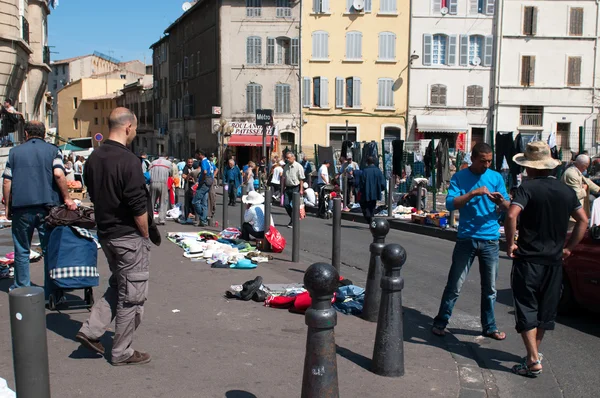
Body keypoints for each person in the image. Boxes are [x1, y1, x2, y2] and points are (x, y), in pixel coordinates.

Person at [76, 108, 158, 366]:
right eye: (133, 129)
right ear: (128, 127)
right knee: (132, 296)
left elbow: (94, 193)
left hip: (107, 233)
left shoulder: (94, 158)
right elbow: (137, 205)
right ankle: (122, 351)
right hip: (127, 236)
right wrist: (145, 235)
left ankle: (91, 330)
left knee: (119, 285)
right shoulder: (128, 161)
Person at [504, 141, 587, 377]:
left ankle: (532, 359)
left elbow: (511, 214)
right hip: (554, 260)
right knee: (544, 311)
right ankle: (533, 356)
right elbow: (583, 220)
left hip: (528, 259)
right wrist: (569, 248)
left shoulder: (526, 189)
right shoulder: (566, 191)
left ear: (529, 167)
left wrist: (510, 243)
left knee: (526, 307)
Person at [431, 143, 510, 340]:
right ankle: (441, 321)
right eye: (483, 161)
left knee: (490, 288)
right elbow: (450, 204)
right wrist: (473, 193)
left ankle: (490, 327)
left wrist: (500, 202)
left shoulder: (496, 177)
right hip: (467, 238)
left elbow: (508, 206)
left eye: (490, 161)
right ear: (473, 159)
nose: (487, 164)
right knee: (455, 284)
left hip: (491, 239)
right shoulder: (460, 177)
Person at [2, 121, 77, 294]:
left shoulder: (14, 153)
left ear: (26, 134)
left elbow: (7, 181)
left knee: (21, 249)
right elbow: (58, 173)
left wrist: (7, 207)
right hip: (48, 207)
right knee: (49, 249)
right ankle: (51, 291)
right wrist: (67, 198)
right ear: (44, 134)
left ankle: (22, 288)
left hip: (21, 208)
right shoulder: (53, 151)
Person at [357, 156, 386, 225]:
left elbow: (361, 184)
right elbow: (383, 183)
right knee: (372, 207)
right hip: (375, 193)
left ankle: (369, 219)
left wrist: (361, 190)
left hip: (365, 193)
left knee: (365, 207)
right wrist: (379, 189)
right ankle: (371, 219)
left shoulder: (364, 171)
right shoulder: (378, 171)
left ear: (367, 162)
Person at [282, 152, 305, 227]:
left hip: (295, 187)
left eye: (289, 158)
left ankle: (292, 221)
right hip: (288, 187)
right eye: (286, 158)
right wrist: (282, 188)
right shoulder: (286, 166)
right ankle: (293, 218)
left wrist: (301, 189)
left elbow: (301, 179)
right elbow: (284, 178)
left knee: (294, 205)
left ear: (293, 157)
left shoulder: (298, 166)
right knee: (286, 204)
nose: (287, 159)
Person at [192, 150, 214, 227]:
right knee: (204, 202)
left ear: (200, 154)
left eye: (197, 155)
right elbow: (215, 169)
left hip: (204, 183)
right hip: (209, 182)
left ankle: (202, 216)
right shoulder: (209, 161)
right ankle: (203, 221)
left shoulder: (203, 162)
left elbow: (204, 172)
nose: (196, 156)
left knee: (195, 201)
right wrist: (212, 176)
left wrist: (202, 179)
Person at [149, 154, 173, 225]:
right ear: (166, 157)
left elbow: (149, 172)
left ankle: (150, 218)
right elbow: (170, 173)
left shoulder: (153, 162)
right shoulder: (168, 163)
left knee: (151, 201)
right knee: (163, 201)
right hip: (163, 183)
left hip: (153, 182)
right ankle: (161, 219)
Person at [180, 158, 195, 222]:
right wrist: (190, 178)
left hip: (193, 186)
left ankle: (192, 214)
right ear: (187, 162)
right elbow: (183, 175)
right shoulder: (186, 168)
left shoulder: (194, 167)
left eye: (191, 162)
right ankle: (188, 214)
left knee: (193, 200)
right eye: (189, 162)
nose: (190, 163)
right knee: (188, 201)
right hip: (188, 186)